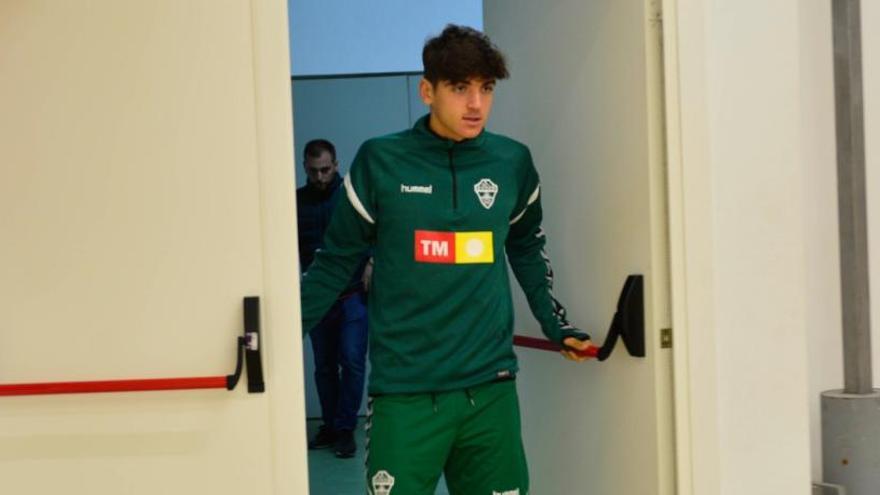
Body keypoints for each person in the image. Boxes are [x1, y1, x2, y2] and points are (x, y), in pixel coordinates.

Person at [300, 25, 593, 494]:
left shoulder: (511, 162)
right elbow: (336, 262)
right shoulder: (381, 161)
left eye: (486, 88)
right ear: (427, 91)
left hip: (490, 389)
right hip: (405, 394)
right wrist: (280, 336)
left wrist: (556, 325)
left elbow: (526, 247)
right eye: (460, 88)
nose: (476, 103)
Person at [296, 138, 371, 459]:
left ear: (336, 165)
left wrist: (372, 261)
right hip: (316, 298)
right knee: (324, 366)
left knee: (352, 361)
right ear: (305, 168)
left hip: (353, 294)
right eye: (313, 171)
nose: (320, 176)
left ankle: (344, 429)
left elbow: (377, 230)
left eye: (326, 169)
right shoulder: (294, 202)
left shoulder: (351, 197)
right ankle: (330, 425)